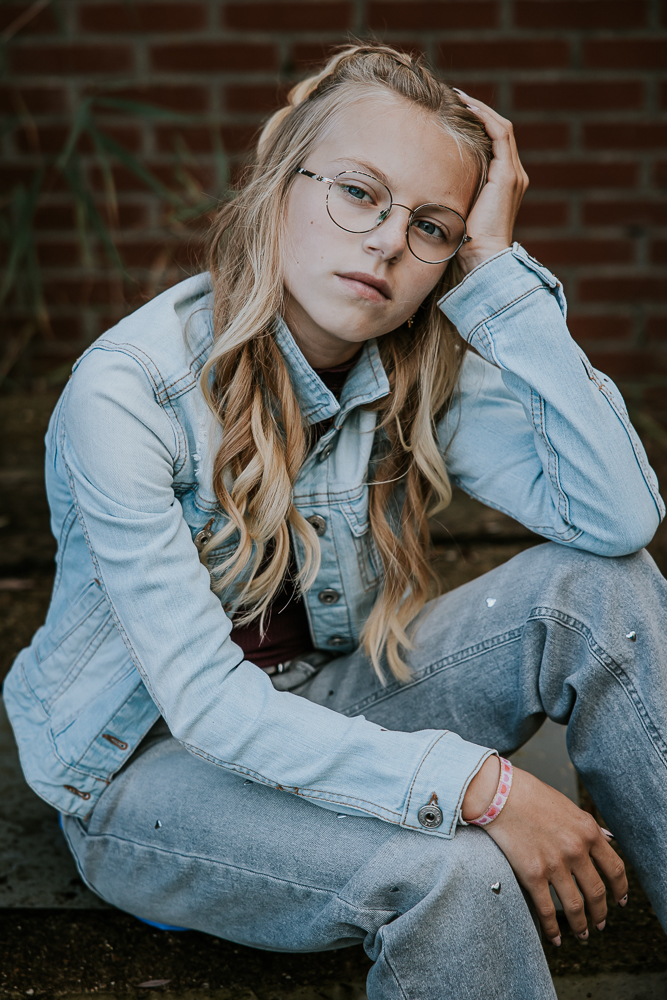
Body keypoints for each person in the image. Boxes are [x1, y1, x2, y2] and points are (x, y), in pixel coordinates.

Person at [4, 44, 666, 1000]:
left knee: (605, 594)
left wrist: (496, 273)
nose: (389, 243)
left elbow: (620, 516)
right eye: (358, 193)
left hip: (327, 700)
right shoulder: (130, 395)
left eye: (432, 225)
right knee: (453, 870)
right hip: (147, 777)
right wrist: (486, 788)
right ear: (282, 185)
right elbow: (207, 708)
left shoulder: (407, 364)